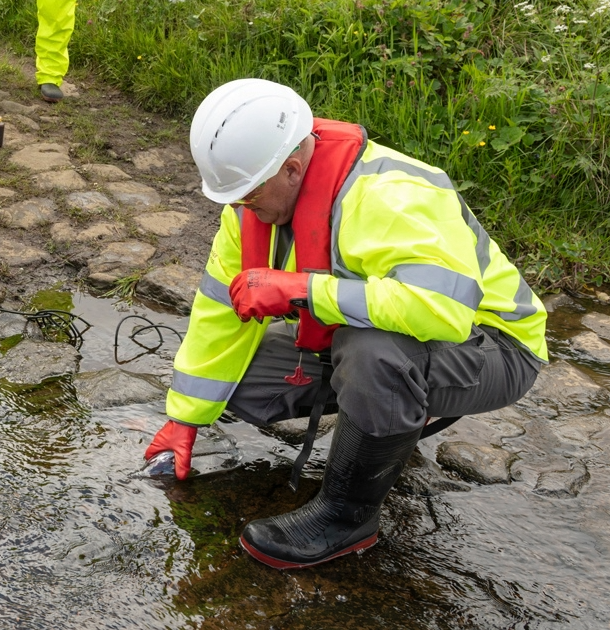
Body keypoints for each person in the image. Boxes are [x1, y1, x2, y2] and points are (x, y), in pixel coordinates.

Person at [145, 78, 548, 569]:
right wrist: (185, 417)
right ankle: (388, 429)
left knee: (374, 353)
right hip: (387, 340)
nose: (236, 207)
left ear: (292, 168)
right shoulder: (254, 206)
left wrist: (303, 290)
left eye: (247, 195)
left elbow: (443, 311)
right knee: (241, 380)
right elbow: (219, 312)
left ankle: (346, 517)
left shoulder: (391, 194)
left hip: (495, 347)